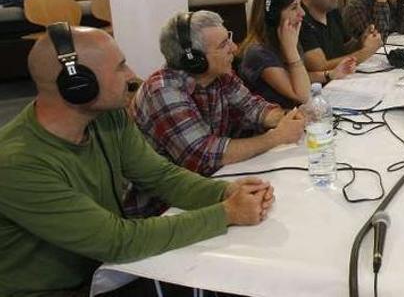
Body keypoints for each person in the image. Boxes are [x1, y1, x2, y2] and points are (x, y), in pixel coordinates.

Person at [0, 24, 274, 296]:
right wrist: (227, 212)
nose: (131, 75)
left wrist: (228, 192)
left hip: (104, 270)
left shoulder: (108, 117)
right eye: (119, 67)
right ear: (77, 85)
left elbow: (162, 176)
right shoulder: (16, 163)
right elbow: (116, 241)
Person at [128, 11, 305, 217]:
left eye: (228, 38)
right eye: (223, 45)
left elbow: (254, 108)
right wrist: (277, 137)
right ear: (195, 60)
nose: (235, 48)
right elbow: (204, 156)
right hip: (163, 210)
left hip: (211, 184)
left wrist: (289, 118)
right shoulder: (163, 91)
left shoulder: (219, 75)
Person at [238, 0, 356, 108]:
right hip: (275, 124)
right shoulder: (258, 53)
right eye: (294, 7)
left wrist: (330, 74)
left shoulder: (283, 39)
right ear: (273, 16)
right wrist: (291, 50)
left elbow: (295, 77)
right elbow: (303, 95)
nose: (302, 13)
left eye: (300, 5)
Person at [298, 0, 383, 76]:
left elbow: (347, 46)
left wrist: (362, 41)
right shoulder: (299, 20)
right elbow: (320, 67)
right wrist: (367, 51)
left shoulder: (332, 11)